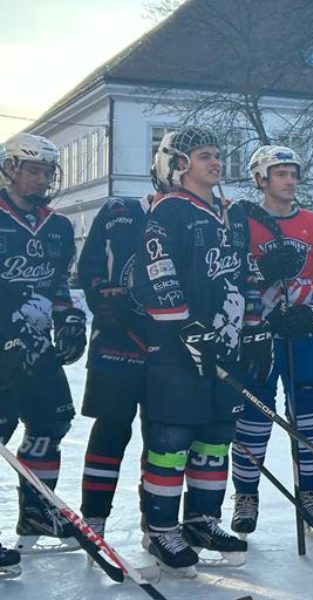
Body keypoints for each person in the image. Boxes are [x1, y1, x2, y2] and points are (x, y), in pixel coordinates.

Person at [131, 127, 273, 575]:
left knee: (215, 438)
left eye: (216, 155)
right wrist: (184, 325)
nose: (215, 162)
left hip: (222, 347)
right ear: (179, 164)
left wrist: (253, 329)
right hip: (178, 350)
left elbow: (244, 276)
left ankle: (201, 520)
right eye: (204, 155)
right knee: (172, 439)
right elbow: (156, 269)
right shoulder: (169, 210)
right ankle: (160, 529)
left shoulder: (230, 215)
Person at [229, 145, 313, 536]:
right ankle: (246, 496)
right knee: (255, 412)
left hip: (304, 332)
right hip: (257, 333)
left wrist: (312, 310)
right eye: (280, 173)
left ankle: (311, 493)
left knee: (308, 410)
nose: (290, 180)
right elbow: (230, 274)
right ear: (260, 178)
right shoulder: (242, 222)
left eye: (293, 173)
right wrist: (260, 274)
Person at [0, 133, 86, 562]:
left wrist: (70, 319)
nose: (41, 179)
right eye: (32, 170)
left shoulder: (58, 225)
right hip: (0, 348)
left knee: (50, 426)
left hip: (37, 349)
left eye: (47, 172)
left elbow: (58, 286)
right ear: (10, 169)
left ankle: (36, 512)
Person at [77, 191, 152, 540]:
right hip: (115, 342)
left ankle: (157, 519)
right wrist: (101, 299)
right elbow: (89, 264)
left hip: (166, 347)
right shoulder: (116, 209)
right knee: (111, 429)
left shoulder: (194, 211)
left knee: (163, 435)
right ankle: (94, 517)